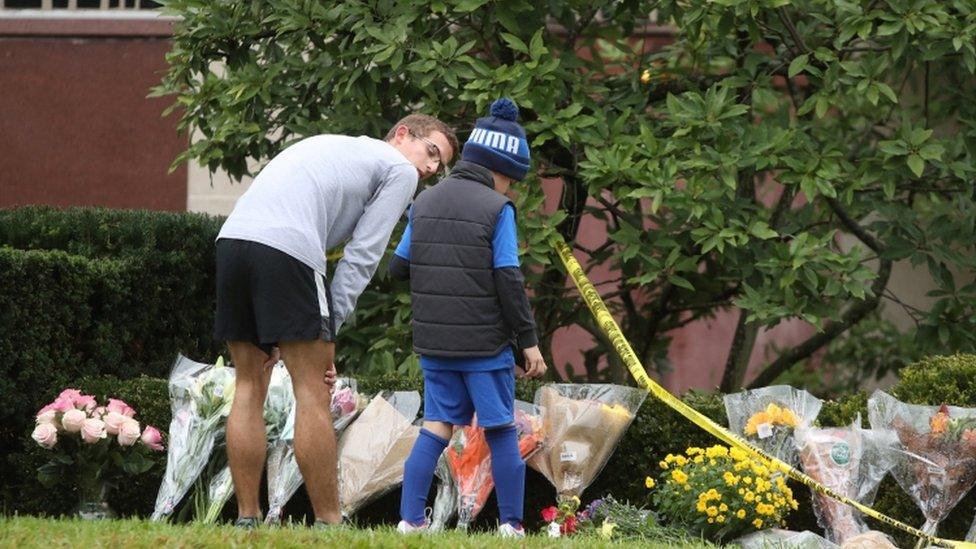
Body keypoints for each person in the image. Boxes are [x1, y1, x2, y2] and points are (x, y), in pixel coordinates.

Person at [213, 115, 458, 528]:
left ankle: (247, 518)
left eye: (440, 167)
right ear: (401, 134)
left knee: (249, 383)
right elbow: (363, 255)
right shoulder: (399, 170)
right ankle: (330, 522)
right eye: (431, 152)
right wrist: (330, 327)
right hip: (289, 249)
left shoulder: (339, 144)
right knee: (312, 391)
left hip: (233, 240)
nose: (431, 169)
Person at [389, 98, 547, 538]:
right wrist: (528, 342)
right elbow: (508, 279)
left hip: (435, 345)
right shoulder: (498, 210)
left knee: (435, 428)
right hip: (485, 347)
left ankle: (409, 522)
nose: (509, 190)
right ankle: (511, 526)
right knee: (499, 432)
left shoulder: (425, 202)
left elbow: (398, 268)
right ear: (501, 172)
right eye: (510, 181)